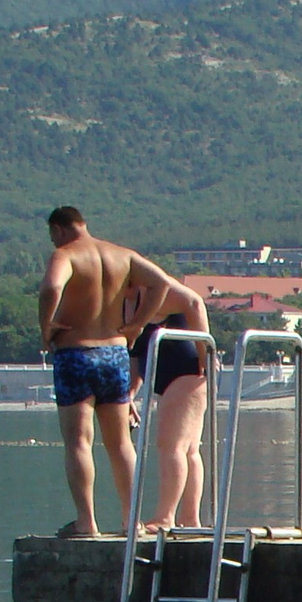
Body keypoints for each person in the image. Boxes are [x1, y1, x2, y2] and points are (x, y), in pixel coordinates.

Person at [35, 206, 181, 537]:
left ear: (58, 230)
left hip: (77, 351)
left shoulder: (65, 255)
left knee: (78, 442)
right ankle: (133, 521)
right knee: (120, 444)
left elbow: (49, 289)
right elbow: (160, 283)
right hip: (115, 353)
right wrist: (136, 325)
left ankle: (87, 522)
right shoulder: (122, 255)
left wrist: (47, 328)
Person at [127, 282, 217, 532]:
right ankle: (189, 518)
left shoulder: (155, 290)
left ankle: (166, 516)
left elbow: (196, 303)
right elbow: (135, 357)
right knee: (187, 449)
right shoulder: (126, 305)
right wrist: (130, 395)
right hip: (165, 379)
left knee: (172, 446)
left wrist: (206, 356)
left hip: (187, 372)